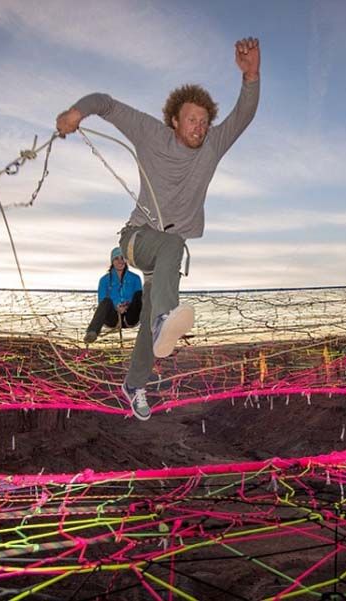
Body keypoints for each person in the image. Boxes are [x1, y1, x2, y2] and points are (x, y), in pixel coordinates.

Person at [56, 37, 260, 421]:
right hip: (137, 240)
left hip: (163, 263)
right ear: (174, 121)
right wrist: (76, 113)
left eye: (204, 121)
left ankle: (135, 384)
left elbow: (243, 116)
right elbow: (106, 103)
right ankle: (165, 317)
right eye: (191, 120)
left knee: (154, 330)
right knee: (170, 246)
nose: (199, 127)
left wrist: (251, 75)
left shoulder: (214, 144)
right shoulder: (151, 133)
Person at [84, 247, 143, 343]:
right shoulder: (104, 280)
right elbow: (101, 301)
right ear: (112, 261)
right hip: (113, 318)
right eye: (116, 258)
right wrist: (116, 307)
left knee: (140, 295)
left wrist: (126, 306)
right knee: (106, 301)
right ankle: (92, 332)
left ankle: (150, 330)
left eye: (122, 258)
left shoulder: (135, 278)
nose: (120, 261)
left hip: (131, 316)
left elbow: (139, 301)